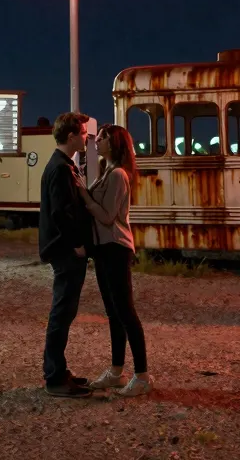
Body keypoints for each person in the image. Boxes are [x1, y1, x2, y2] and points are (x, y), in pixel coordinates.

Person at [78, 123, 151, 396]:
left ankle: (142, 375)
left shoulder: (118, 174)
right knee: (113, 313)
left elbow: (108, 216)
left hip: (116, 248)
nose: (99, 140)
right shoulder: (107, 171)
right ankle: (116, 371)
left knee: (126, 312)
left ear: (115, 144)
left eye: (105, 137)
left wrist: (84, 196)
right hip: (104, 249)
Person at [39, 112, 94, 397]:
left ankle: (58, 371)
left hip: (62, 249)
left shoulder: (61, 164)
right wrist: (76, 245)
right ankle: (55, 378)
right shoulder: (61, 168)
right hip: (65, 251)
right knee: (62, 312)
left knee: (64, 311)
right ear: (72, 136)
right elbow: (62, 212)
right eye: (83, 133)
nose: (87, 137)